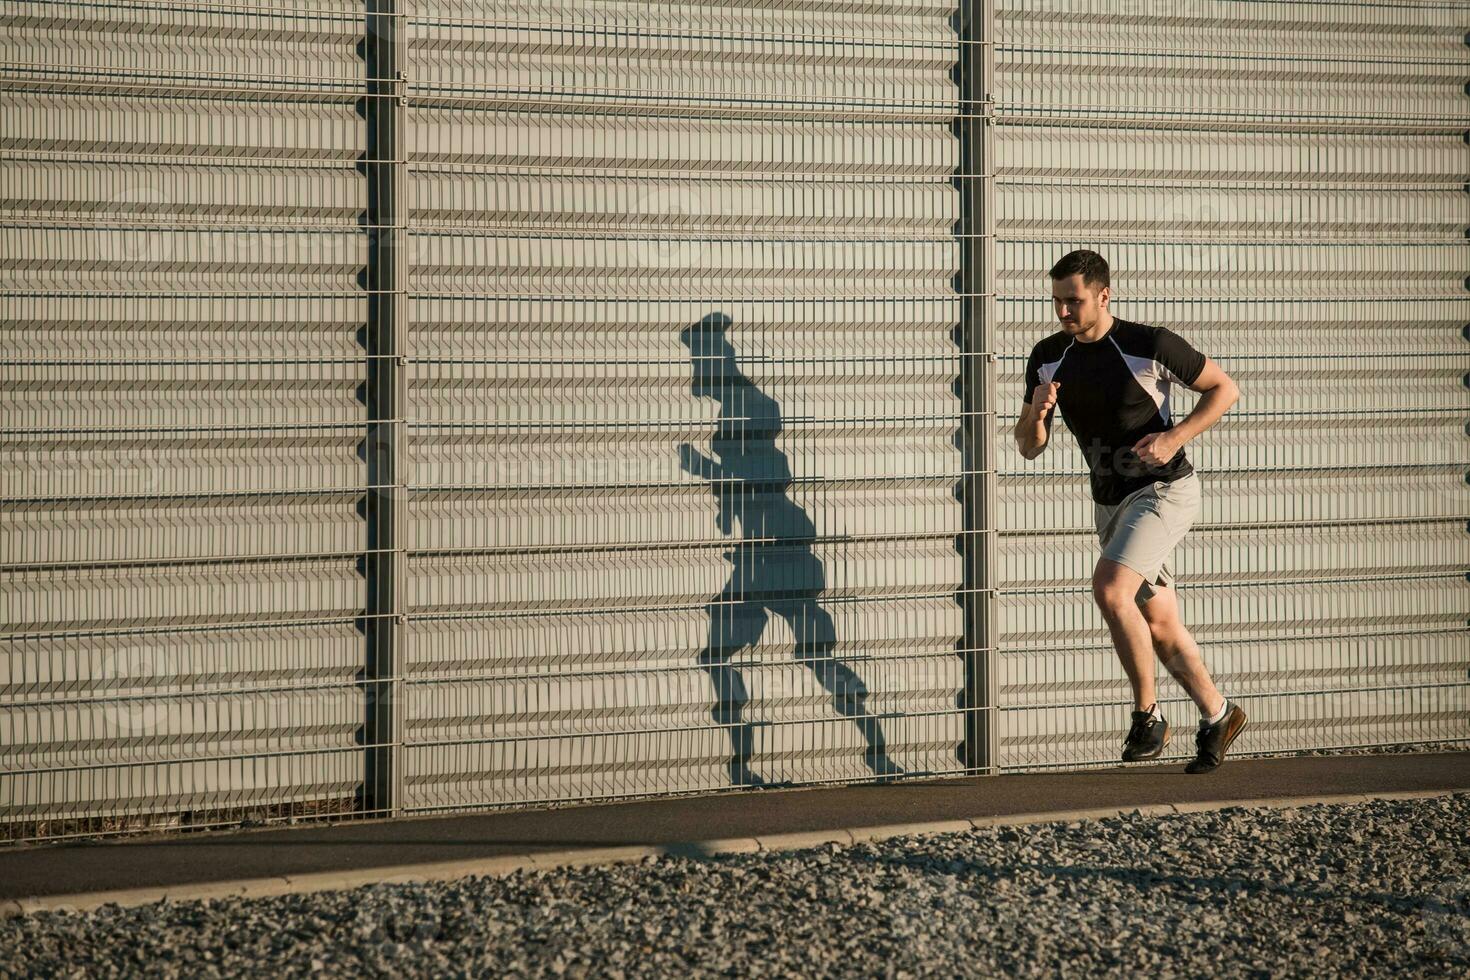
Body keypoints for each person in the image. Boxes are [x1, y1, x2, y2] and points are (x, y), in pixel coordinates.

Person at [1014, 250, 1247, 773]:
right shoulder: (1048, 356)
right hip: (1110, 502)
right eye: (1056, 302)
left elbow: (1224, 389)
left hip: (1163, 490)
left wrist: (1174, 436)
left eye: (1073, 301)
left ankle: (1148, 716)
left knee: (1110, 589)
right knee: (1160, 624)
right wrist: (1037, 411)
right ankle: (1219, 712)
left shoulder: (1148, 343)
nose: (1063, 312)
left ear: (1103, 295)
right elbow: (1029, 446)